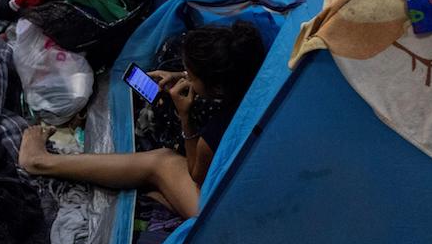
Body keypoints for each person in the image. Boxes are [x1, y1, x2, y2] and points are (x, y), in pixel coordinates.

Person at [19, 21, 266, 218]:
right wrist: (184, 75)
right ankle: (163, 191)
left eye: (192, 74)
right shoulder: (254, 69)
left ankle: (40, 161)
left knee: (162, 161)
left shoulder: (213, 135)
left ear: (218, 87)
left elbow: (197, 176)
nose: (185, 75)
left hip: (226, 213)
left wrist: (185, 116)